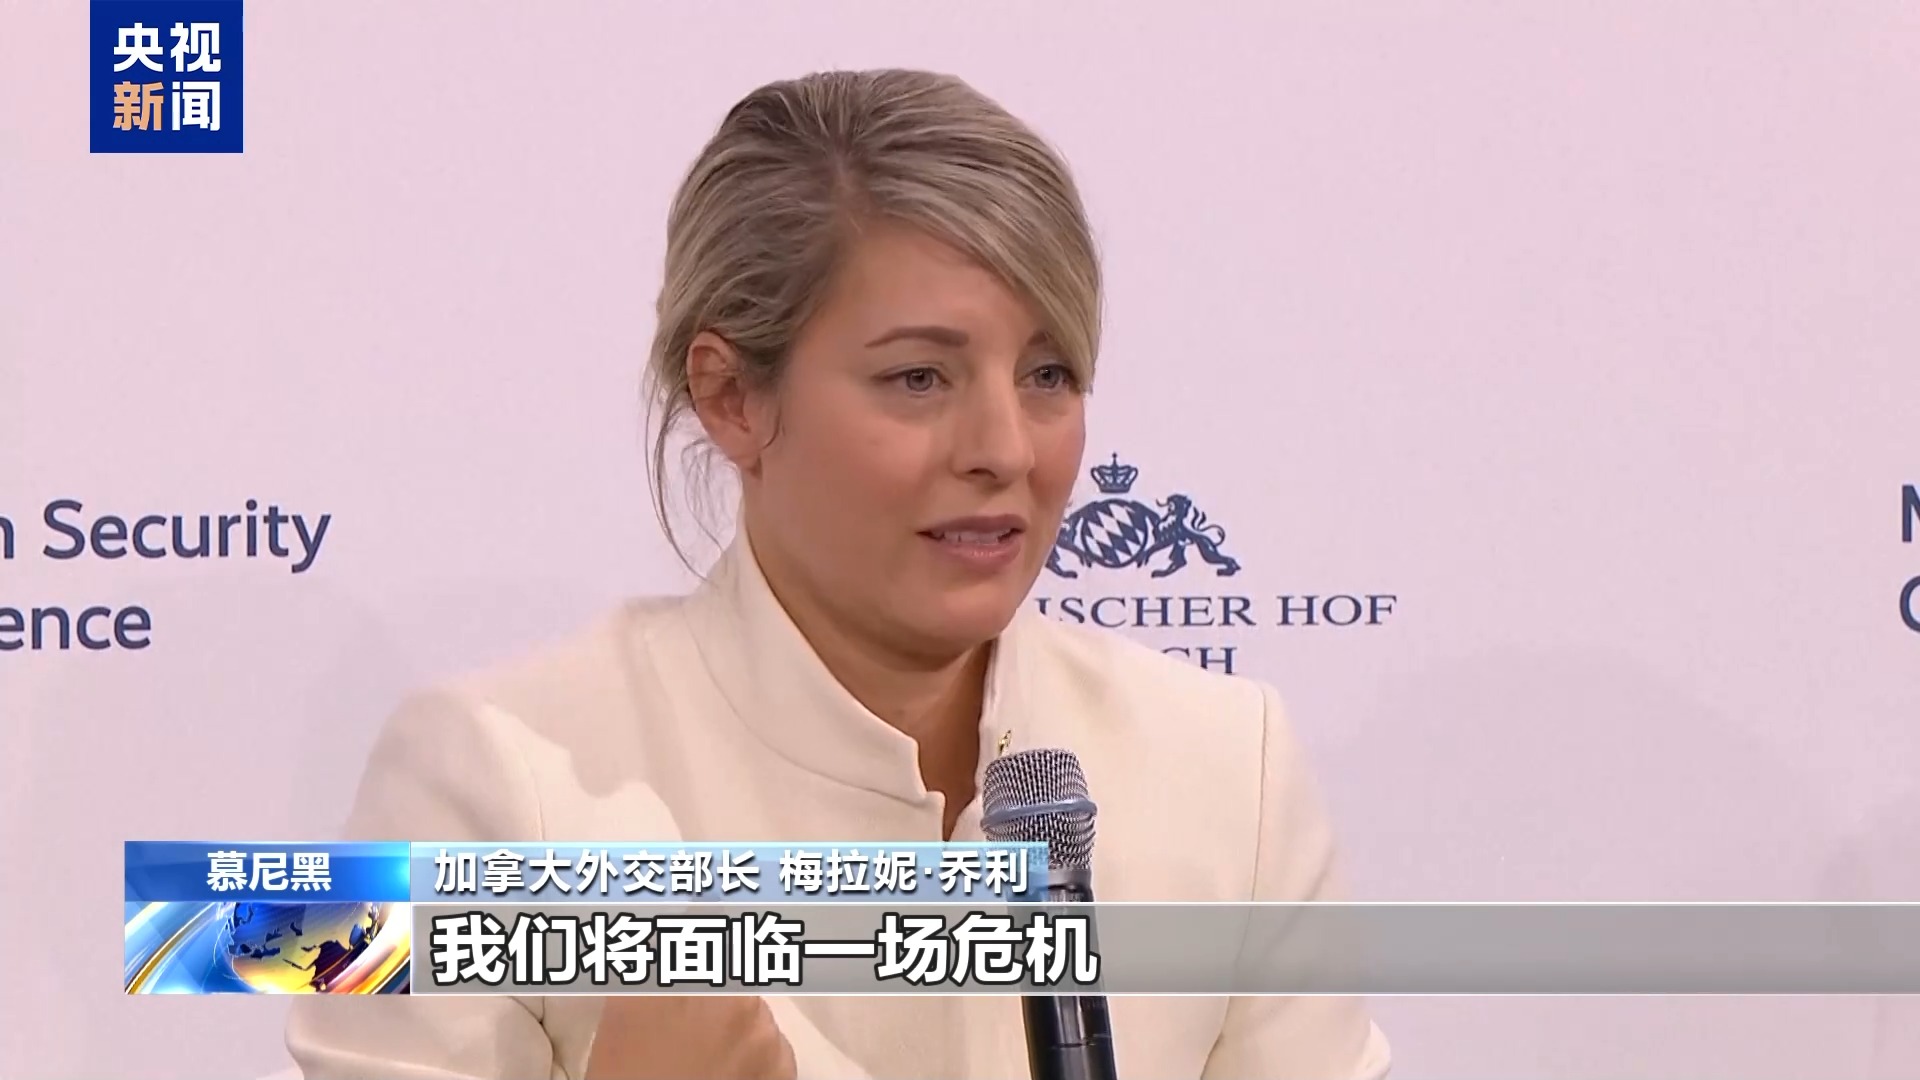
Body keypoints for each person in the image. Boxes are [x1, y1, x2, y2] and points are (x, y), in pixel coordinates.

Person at [287, 68, 1391, 1080]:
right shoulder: (466, 780)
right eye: (919, 378)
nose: (1005, 448)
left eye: (1049, 373)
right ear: (732, 397)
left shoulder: (1229, 761)